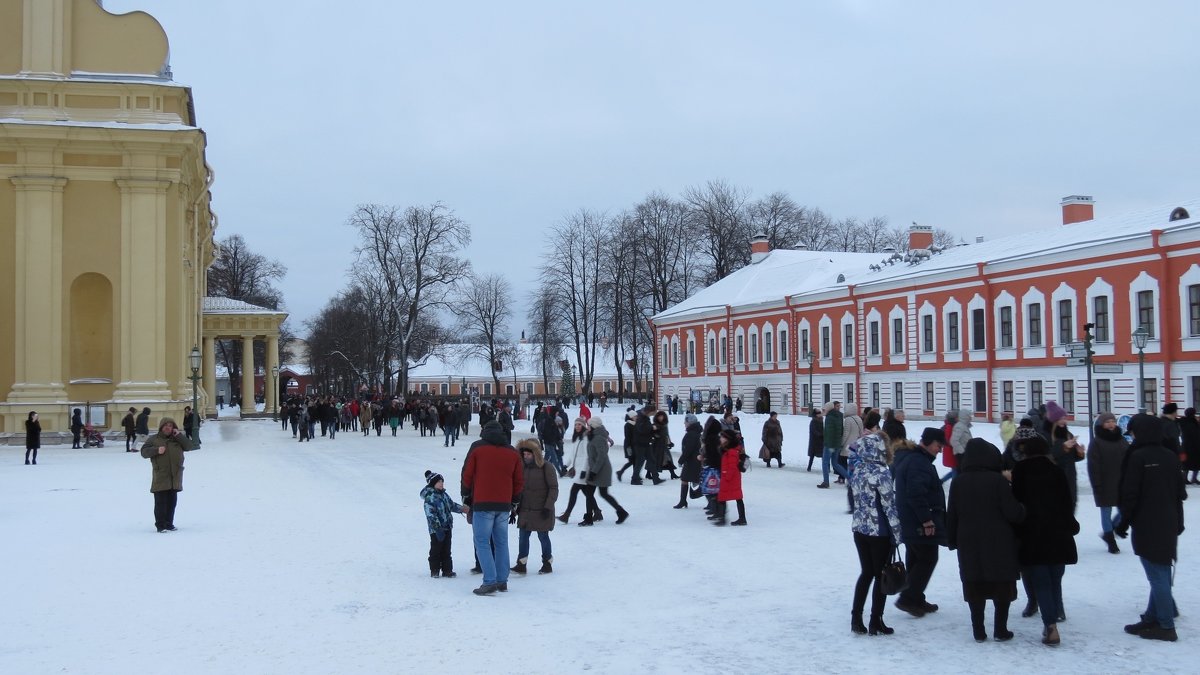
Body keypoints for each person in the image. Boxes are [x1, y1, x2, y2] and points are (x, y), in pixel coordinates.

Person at [1117, 413, 1187, 642]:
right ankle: (1152, 617)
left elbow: (1130, 494)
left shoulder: (1137, 457)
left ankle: (1165, 625)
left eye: (1133, 431)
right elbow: (1179, 493)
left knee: (1158, 575)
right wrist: (1179, 521)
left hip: (1147, 521)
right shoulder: (1170, 455)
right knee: (1162, 571)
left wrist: (1122, 522)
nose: (1132, 436)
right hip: (1168, 519)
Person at [947, 439, 1025, 643]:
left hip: (968, 541)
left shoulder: (958, 481)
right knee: (1001, 585)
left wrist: (952, 539)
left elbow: (952, 515)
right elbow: (1013, 512)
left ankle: (978, 631)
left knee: (974, 584)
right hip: (999, 541)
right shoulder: (997, 481)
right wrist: (1023, 510)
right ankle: (1000, 629)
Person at [1010, 429, 1078, 646]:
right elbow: (1067, 501)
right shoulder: (1056, 471)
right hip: (1058, 532)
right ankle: (1058, 610)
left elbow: (1017, 503)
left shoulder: (1020, 471)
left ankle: (1051, 626)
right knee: (1055, 576)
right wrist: (1069, 524)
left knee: (1041, 581)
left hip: (1033, 533)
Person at [848, 412, 902, 636]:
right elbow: (889, 506)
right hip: (879, 532)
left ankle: (856, 618)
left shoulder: (858, 470)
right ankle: (875, 620)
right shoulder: (882, 473)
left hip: (860, 529)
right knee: (881, 575)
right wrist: (897, 534)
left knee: (866, 573)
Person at [461, 420, 523, 595]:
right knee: (501, 542)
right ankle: (502, 580)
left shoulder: (477, 448)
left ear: (484, 431)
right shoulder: (512, 452)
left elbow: (467, 473)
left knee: (482, 542)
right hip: (504, 504)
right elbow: (519, 480)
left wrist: (466, 495)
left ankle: (489, 581)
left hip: (482, 502)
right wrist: (515, 501)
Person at [893, 427, 948, 618]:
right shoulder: (918, 462)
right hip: (917, 521)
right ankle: (908, 598)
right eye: (938, 446)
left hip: (908, 519)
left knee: (916, 558)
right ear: (928, 442)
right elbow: (916, 494)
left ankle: (915, 597)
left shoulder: (911, 457)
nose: (939, 450)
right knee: (928, 558)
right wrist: (927, 520)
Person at [511, 439, 559, 575]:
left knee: (543, 536)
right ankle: (521, 563)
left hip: (542, 510)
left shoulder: (547, 467)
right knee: (523, 537)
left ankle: (547, 562)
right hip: (525, 509)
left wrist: (548, 506)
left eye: (528, 454)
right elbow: (518, 488)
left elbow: (553, 488)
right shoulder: (521, 468)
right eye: (524, 454)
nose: (525, 457)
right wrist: (515, 507)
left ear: (535, 454)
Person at [139, 417, 195, 533]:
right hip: (161, 475)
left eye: (170, 425)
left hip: (175, 476)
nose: (168, 427)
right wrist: (156, 450)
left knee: (172, 502)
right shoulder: (154, 439)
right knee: (161, 503)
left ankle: (169, 523)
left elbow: (190, 446)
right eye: (165, 425)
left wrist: (179, 435)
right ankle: (161, 525)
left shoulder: (177, 439)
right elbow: (144, 452)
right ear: (161, 427)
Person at [1087, 413, 1128, 554]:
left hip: (1122, 481)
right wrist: (1096, 483)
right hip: (1104, 482)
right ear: (1101, 424)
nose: (1111, 424)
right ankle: (1111, 540)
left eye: (1113, 421)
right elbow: (1093, 465)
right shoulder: (1097, 442)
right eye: (1108, 422)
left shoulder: (1121, 439)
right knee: (1106, 512)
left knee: (1125, 511)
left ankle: (1111, 530)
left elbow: (1129, 458)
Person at [581, 417, 629, 525]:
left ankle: (589, 518)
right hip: (596, 469)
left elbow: (601, 457)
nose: (587, 427)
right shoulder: (594, 436)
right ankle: (621, 512)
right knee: (599, 493)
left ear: (593, 426)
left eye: (589, 425)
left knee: (595, 493)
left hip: (601, 470)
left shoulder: (598, 438)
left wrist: (593, 472)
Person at [421, 470, 467, 578]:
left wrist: (463, 509)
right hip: (436, 530)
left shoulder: (444, 495)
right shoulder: (430, 497)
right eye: (439, 482)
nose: (441, 483)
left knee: (447, 549)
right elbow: (430, 515)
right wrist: (437, 528)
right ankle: (435, 570)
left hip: (447, 527)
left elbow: (451, 505)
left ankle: (447, 570)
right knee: (436, 549)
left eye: (442, 481)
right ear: (433, 483)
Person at [557, 419, 597, 524]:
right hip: (577, 469)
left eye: (579, 424)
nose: (577, 426)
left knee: (574, 491)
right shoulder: (577, 438)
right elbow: (572, 454)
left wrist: (584, 470)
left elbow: (587, 456)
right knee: (587, 493)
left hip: (583, 469)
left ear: (583, 426)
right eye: (576, 425)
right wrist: (566, 465)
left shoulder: (585, 438)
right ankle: (597, 511)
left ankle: (566, 515)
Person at [1044, 402, 1084, 507]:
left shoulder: (1068, 434)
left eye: (1064, 418)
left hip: (1070, 480)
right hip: (1053, 481)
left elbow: (1071, 458)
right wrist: (1063, 448)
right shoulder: (1044, 436)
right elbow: (1044, 457)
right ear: (1053, 420)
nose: (1064, 421)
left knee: (1070, 509)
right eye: (1060, 418)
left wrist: (1079, 453)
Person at [713, 429, 747, 526]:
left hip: (730, 478)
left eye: (722, 437)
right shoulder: (728, 450)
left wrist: (726, 476)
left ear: (728, 439)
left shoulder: (731, 451)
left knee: (722, 497)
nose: (720, 439)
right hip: (731, 478)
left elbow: (732, 466)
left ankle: (722, 518)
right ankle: (741, 518)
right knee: (737, 498)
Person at [676, 414, 703, 508]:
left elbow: (688, 449)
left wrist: (681, 460)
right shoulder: (696, 432)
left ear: (690, 423)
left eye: (685, 421)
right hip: (695, 460)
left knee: (687, 480)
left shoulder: (691, 434)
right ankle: (683, 501)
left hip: (692, 461)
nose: (684, 423)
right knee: (688, 479)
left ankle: (683, 501)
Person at [819, 401, 846, 488]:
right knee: (835, 463)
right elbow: (841, 430)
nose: (824, 410)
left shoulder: (829, 418)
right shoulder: (840, 416)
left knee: (825, 462)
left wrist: (828, 444)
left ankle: (826, 482)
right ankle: (851, 478)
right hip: (837, 443)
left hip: (830, 444)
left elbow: (828, 432)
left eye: (824, 409)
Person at [839, 403, 864, 484]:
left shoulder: (848, 420)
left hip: (848, 444)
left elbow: (846, 433)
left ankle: (843, 477)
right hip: (856, 443)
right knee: (853, 462)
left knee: (842, 461)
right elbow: (861, 432)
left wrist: (841, 443)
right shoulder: (859, 419)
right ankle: (854, 477)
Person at [1180, 407, 1200, 484]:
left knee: (1186, 464)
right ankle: (1193, 478)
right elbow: (1196, 436)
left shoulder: (1183, 422)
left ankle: (1185, 479)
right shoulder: (1193, 423)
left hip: (1185, 446)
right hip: (1194, 447)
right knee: (1196, 463)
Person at [615, 411, 636, 483]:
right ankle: (620, 472)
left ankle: (635, 475)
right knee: (632, 461)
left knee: (634, 461)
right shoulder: (628, 425)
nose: (636, 417)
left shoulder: (635, 424)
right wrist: (629, 447)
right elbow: (628, 437)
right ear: (631, 417)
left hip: (634, 445)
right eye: (635, 416)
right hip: (629, 445)